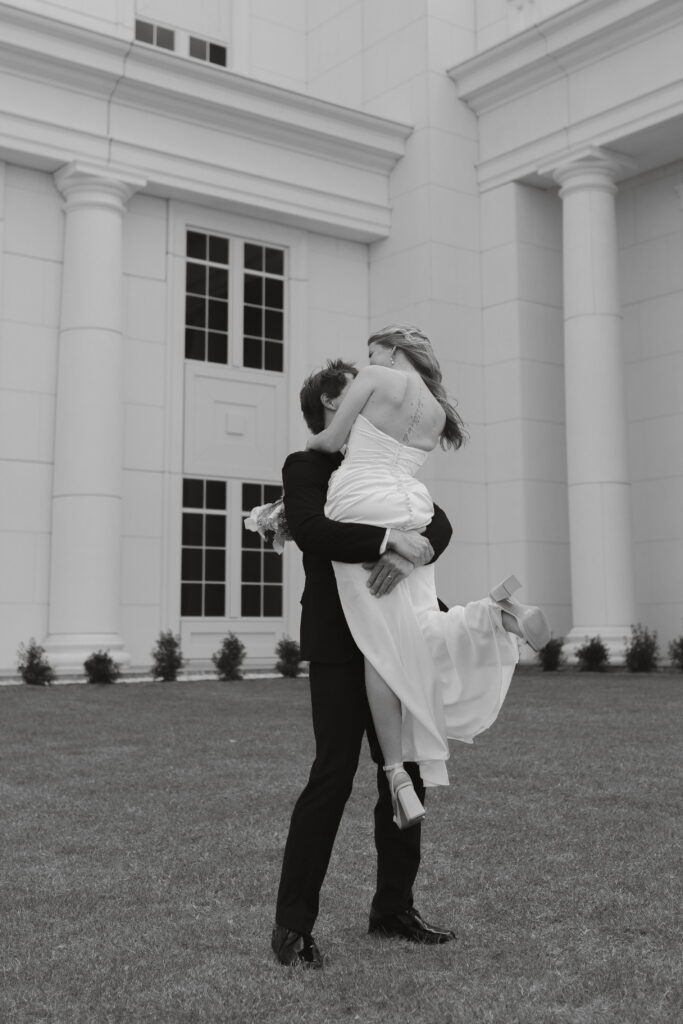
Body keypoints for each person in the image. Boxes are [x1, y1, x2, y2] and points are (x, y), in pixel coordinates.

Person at [305, 324, 550, 832]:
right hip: (412, 505)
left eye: (373, 352)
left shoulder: (375, 377)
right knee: (415, 625)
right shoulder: (439, 411)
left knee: (380, 641)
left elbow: (331, 439)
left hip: (361, 500)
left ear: (392, 350)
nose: (368, 359)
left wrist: (309, 450)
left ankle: (395, 770)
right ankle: (493, 615)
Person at [271, 358, 457, 968]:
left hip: (395, 636)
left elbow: (441, 520)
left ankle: (394, 908)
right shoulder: (308, 466)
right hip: (337, 641)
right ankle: (292, 928)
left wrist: (412, 552)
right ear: (334, 399)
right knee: (332, 774)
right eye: (356, 390)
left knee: (400, 773)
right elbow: (311, 529)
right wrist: (386, 541)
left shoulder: (382, 462)